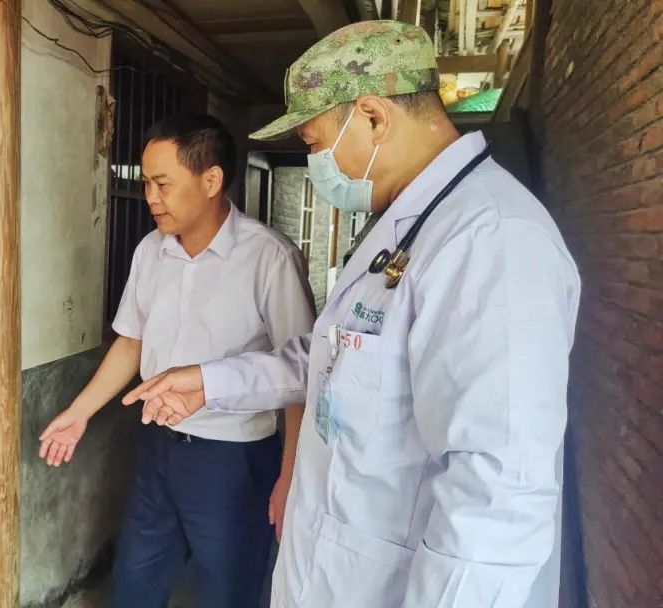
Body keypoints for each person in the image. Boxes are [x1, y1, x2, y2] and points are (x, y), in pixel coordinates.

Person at [123, 21, 581, 608]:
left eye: (314, 143)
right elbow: (335, 357)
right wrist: (212, 381)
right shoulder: (403, 228)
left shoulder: (490, 240)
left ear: (373, 117)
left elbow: (496, 498)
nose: (315, 160)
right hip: (337, 571)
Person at [38, 114, 315, 607]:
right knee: (135, 585)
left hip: (234, 460)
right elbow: (130, 343)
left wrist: (289, 475)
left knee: (229, 591)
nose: (151, 197)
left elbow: (299, 374)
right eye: (145, 182)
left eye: (163, 184)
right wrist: (79, 414)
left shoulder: (269, 258)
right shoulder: (151, 251)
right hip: (158, 448)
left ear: (211, 180)